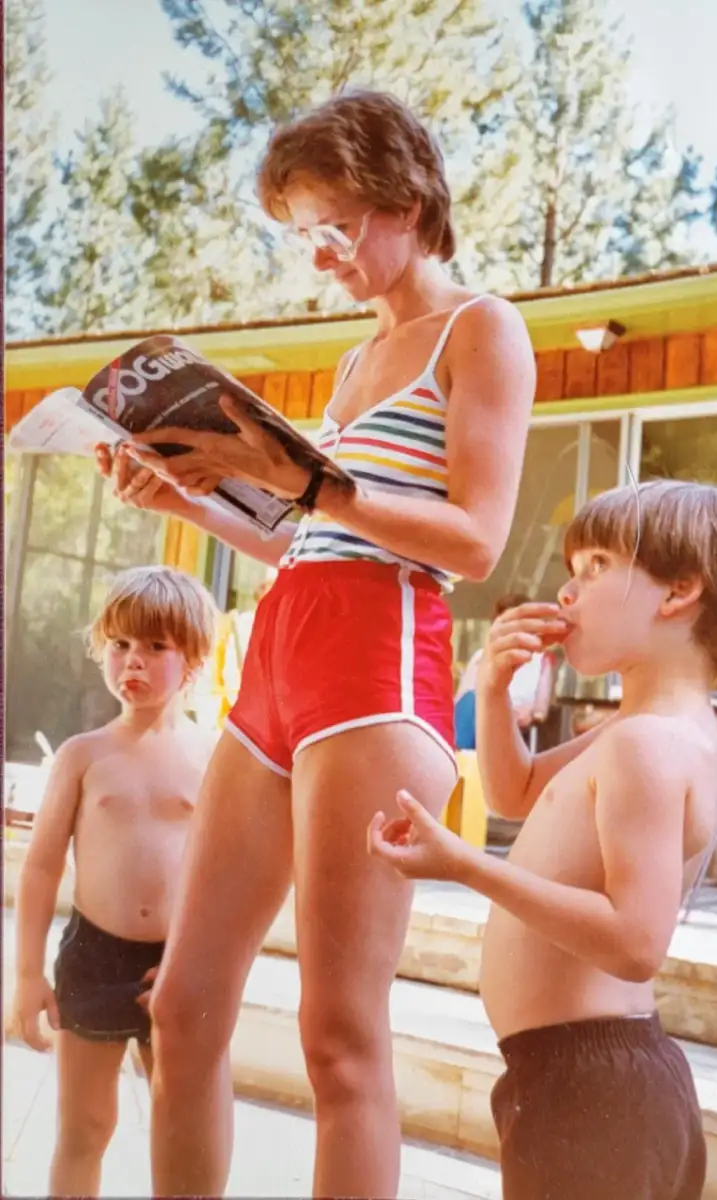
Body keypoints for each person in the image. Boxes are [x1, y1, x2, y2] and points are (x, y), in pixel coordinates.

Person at [96, 88, 536, 1199]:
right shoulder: (351, 365)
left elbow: (476, 539)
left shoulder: (480, 329)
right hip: (284, 651)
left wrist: (310, 481)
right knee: (182, 1005)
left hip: (376, 664)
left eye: (336, 225)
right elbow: (305, 534)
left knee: (338, 1035)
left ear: (407, 201)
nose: (321, 253)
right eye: (303, 233)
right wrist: (185, 491)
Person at [369, 479, 717, 1200]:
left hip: (593, 1090)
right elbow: (517, 790)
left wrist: (465, 865)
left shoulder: (648, 745)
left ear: (678, 590)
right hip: (581, 1079)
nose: (567, 591)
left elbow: (635, 942)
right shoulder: (646, 730)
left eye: (596, 566)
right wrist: (493, 690)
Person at [10, 566, 218, 1199]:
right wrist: (27, 974)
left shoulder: (213, 758)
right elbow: (41, 866)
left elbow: (225, 875)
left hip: (176, 964)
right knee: (86, 1127)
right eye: (121, 644)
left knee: (181, 1127)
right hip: (93, 959)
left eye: (156, 646)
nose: (133, 660)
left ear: (193, 661)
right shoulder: (84, 755)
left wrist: (200, 961)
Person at [454, 593, 557, 750]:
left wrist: (516, 713)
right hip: (481, 716)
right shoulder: (482, 656)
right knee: (472, 703)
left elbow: (539, 712)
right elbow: (462, 700)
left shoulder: (540, 660)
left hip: (514, 723)